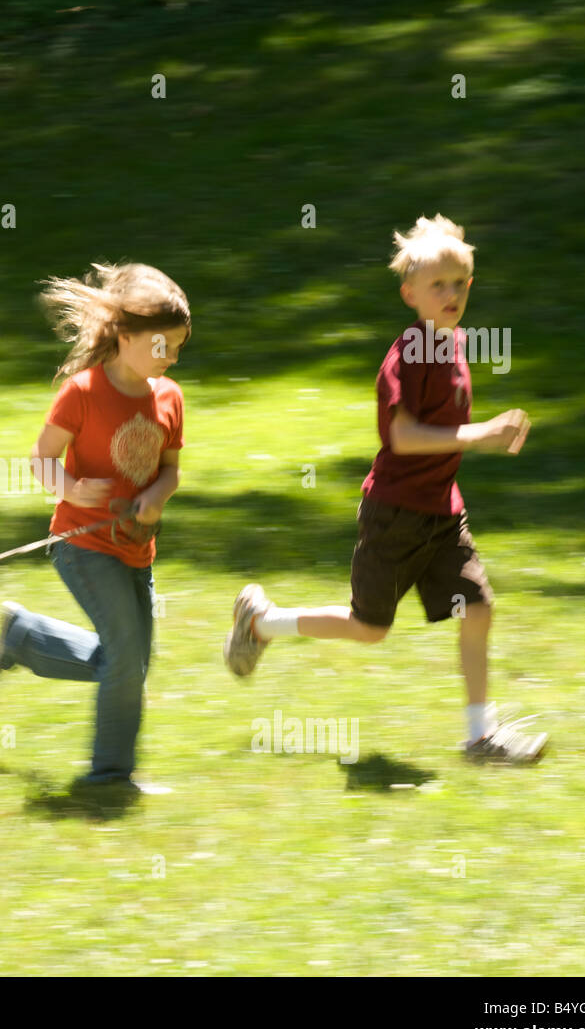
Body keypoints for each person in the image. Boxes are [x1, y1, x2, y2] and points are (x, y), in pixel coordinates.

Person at [226, 214, 547, 762]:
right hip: (396, 513)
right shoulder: (407, 355)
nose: (451, 294)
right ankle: (261, 622)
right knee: (369, 627)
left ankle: (481, 738)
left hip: (443, 514)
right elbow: (402, 437)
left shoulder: (456, 344)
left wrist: (481, 435)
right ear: (409, 294)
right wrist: (480, 435)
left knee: (478, 608)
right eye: (437, 285)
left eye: (460, 283)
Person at [0, 262, 190, 793]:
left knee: (130, 663)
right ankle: (111, 776)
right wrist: (72, 489)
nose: (170, 357)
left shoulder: (169, 397)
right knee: (124, 661)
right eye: (162, 345)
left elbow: (170, 470)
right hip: (82, 545)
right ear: (125, 336)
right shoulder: (83, 392)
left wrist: (155, 497)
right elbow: (42, 458)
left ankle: (25, 638)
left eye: (177, 347)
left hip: (137, 549)